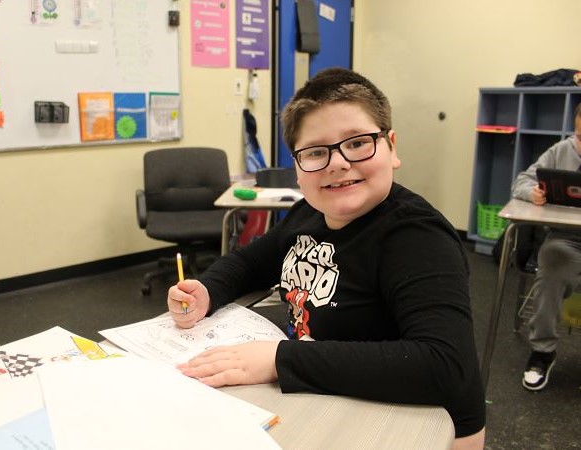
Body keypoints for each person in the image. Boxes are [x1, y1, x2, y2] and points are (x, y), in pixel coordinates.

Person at [167, 67, 485, 448]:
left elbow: (444, 365)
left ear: (391, 147)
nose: (337, 162)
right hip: (331, 396)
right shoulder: (308, 213)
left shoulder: (416, 237)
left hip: (422, 425)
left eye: (357, 143)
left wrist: (279, 360)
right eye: (316, 152)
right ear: (298, 169)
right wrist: (206, 289)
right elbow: (251, 262)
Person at [511, 103, 581, 392]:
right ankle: (543, 351)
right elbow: (522, 181)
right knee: (552, 261)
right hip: (566, 239)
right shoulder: (561, 150)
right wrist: (533, 193)